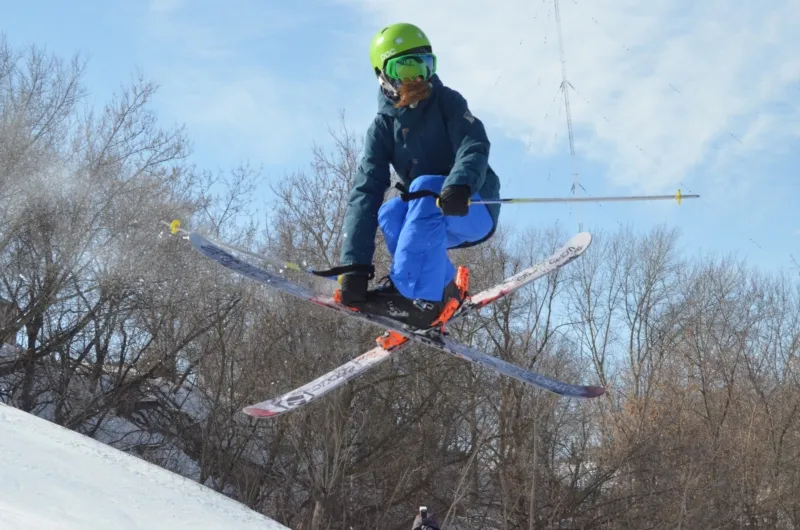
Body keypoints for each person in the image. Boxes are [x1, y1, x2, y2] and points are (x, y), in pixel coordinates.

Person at [335, 22, 501, 329]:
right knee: (391, 211)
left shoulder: (447, 102)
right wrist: (354, 267)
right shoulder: (383, 127)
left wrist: (460, 183)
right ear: (383, 75)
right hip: (430, 215)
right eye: (406, 68)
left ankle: (417, 300)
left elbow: (473, 143)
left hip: (473, 204)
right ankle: (441, 289)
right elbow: (365, 193)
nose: (417, 78)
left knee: (424, 190)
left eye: (425, 67)